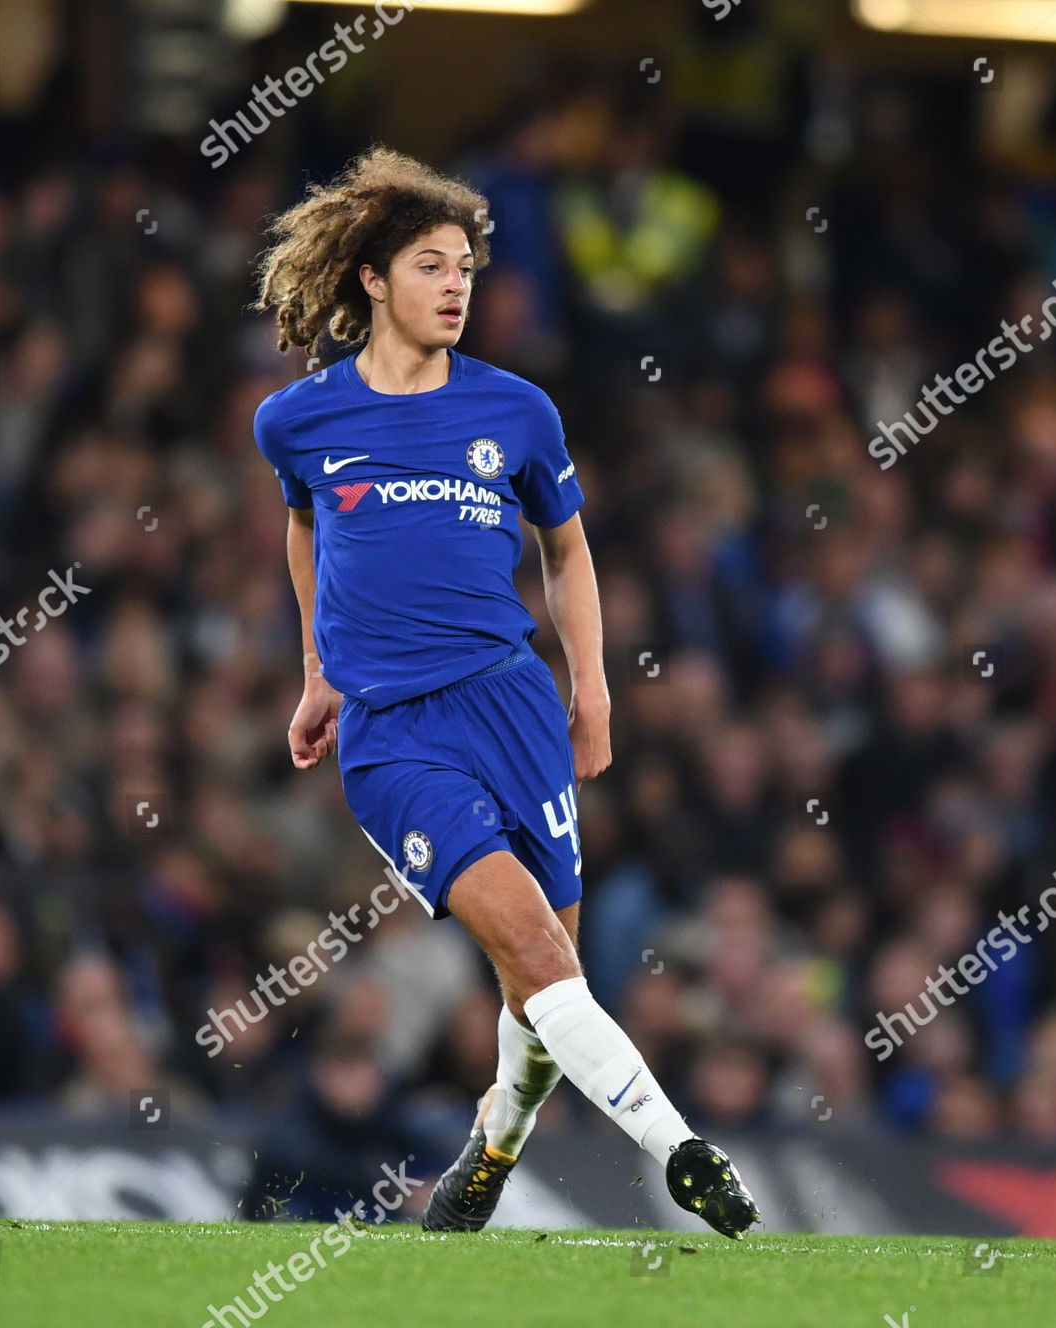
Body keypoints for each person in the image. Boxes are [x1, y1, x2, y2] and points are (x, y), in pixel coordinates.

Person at [249, 148, 758, 1238]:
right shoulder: (298, 420)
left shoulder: (518, 410)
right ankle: (684, 1153)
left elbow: (568, 556)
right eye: (432, 265)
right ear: (373, 281)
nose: (457, 286)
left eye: (468, 270)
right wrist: (316, 671)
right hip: (394, 735)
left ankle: (493, 1144)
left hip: (516, 704)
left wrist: (596, 692)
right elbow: (305, 527)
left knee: (543, 980)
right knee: (534, 951)